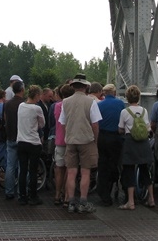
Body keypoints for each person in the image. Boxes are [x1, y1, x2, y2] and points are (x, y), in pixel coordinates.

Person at [59, 74, 102, 214]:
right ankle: (83, 201)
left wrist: (68, 135)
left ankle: (71, 202)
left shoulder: (65, 102)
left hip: (71, 140)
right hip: (86, 140)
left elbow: (63, 123)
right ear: (85, 86)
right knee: (85, 172)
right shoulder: (91, 102)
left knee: (71, 172)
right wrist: (95, 140)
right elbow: (95, 124)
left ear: (73, 86)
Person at [117, 85, 155, 210]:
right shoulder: (144, 110)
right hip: (143, 143)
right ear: (139, 97)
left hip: (130, 143)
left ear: (127, 97)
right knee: (145, 170)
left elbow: (121, 129)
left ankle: (131, 202)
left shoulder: (124, 112)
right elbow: (148, 128)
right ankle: (151, 198)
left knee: (129, 171)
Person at [17, 85, 46, 205]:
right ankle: (33, 196)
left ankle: (22, 196)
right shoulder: (37, 108)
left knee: (23, 170)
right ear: (37, 95)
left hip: (21, 141)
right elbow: (42, 124)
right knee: (33, 170)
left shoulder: (21, 106)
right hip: (33, 142)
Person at [96, 83, 124, 206]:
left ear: (104, 93)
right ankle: (113, 185)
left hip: (102, 137)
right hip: (115, 137)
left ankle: (103, 192)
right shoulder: (120, 104)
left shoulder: (99, 105)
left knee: (102, 164)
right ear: (114, 92)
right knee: (114, 163)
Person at [52, 83, 74, 206]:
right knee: (69, 170)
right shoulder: (73, 105)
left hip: (60, 139)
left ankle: (57, 194)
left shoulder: (58, 106)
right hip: (71, 140)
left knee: (59, 168)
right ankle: (67, 196)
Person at [3, 80, 25, 200]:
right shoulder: (25, 103)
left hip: (10, 136)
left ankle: (9, 191)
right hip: (22, 137)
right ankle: (22, 191)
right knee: (23, 166)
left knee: (10, 165)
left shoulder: (7, 104)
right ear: (22, 90)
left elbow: (5, 120)